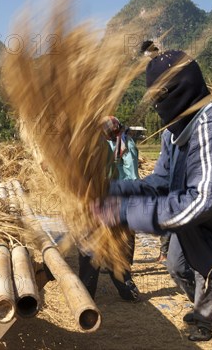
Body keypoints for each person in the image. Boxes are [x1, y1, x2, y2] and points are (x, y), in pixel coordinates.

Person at [92, 50, 212, 349]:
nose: (157, 107)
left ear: (179, 92)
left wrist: (124, 212)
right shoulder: (177, 133)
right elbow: (161, 183)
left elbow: (199, 204)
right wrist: (109, 190)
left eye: (159, 98)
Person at [78, 116, 140, 302]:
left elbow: (132, 178)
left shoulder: (125, 146)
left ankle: (126, 290)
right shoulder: (99, 146)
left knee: (113, 248)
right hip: (97, 201)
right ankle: (88, 294)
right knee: (94, 247)